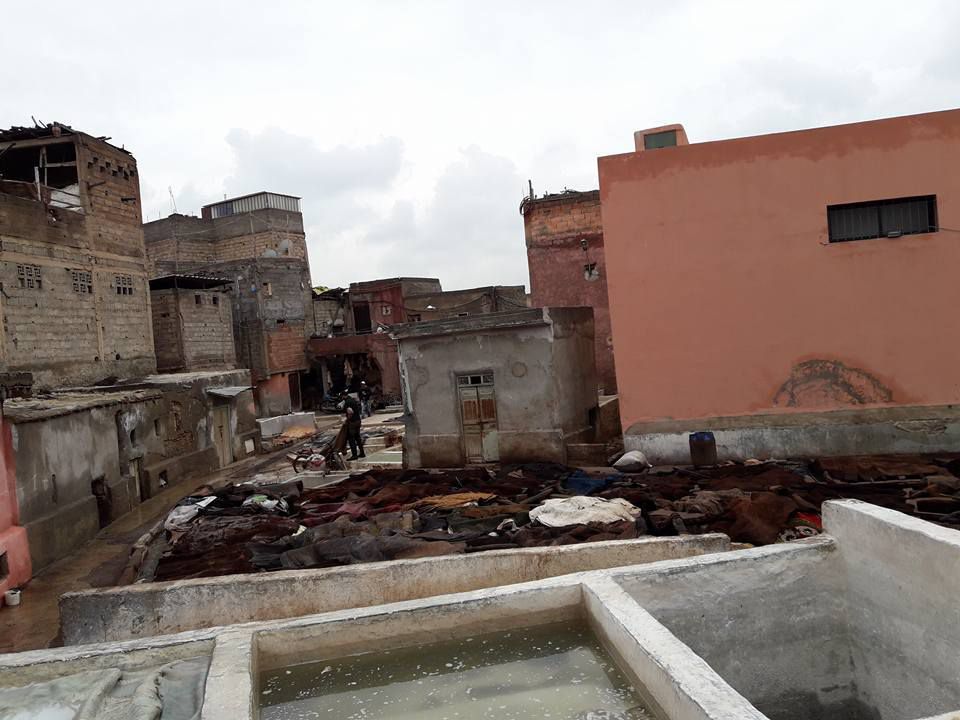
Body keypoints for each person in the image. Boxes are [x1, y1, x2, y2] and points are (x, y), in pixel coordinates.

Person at [342, 391, 365, 460]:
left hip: (352, 422)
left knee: (351, 439)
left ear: (343, 396)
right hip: (358, 421)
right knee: (358, 438)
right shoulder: (353, 400)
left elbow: (350, 412)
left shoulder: (347, 402)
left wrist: (347, 420)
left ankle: (354, 455)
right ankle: (362, 453)